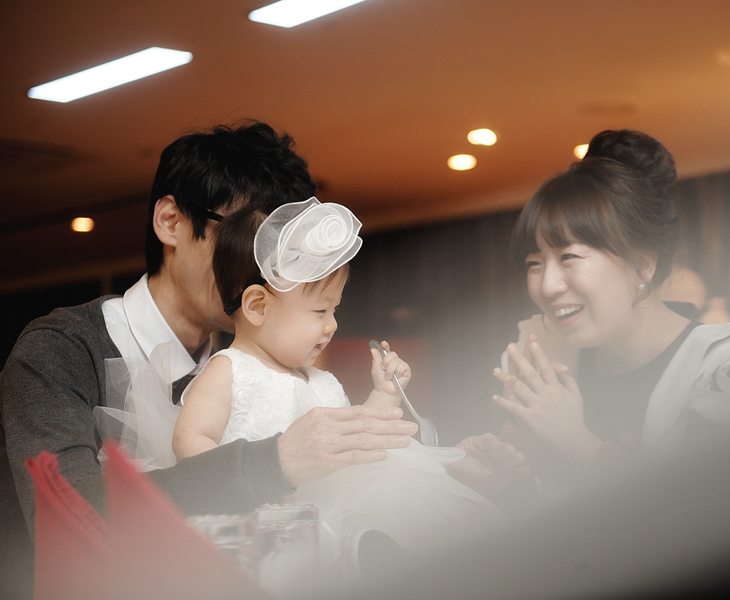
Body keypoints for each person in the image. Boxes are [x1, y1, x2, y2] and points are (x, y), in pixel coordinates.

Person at [0, 121, 418, 599]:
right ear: (171, 222)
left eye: (283, 252)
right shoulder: (62, 350)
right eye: (249, 239)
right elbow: (76, 520)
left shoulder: (264, 362)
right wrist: (273, 462)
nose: (267, 269)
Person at [167, 199, 496, 556]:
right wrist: (255, 480)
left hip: (340, 522)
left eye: (334, 309)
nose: (332, 325)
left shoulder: (321, 380)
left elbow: (357, 440)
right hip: (269, 526)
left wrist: (385, 394)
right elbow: (188, 440)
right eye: (319, 310)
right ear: (258, 306)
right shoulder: (229, 369)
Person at [493, 129, 730, 483]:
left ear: (643, 265)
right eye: (534, 264)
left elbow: (723, 505)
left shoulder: (724, 369)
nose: (547, 286)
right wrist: (496, 470)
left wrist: (575, 441)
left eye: (569, 257)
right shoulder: (544, 353)